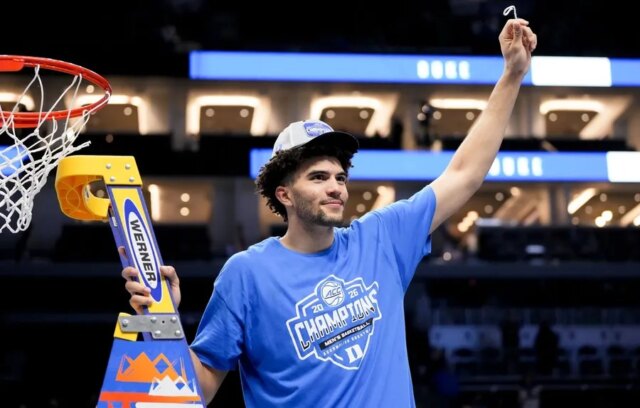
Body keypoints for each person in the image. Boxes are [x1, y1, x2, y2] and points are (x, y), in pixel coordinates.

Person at [122, 17, 537, 407]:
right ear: (284, 194)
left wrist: (512, 75)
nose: (336, 186)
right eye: (318, 177)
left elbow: (464, 174)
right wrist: (162, 319)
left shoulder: (381, 238)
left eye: (340, 176)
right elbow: (194, 392)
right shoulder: (246, 274)